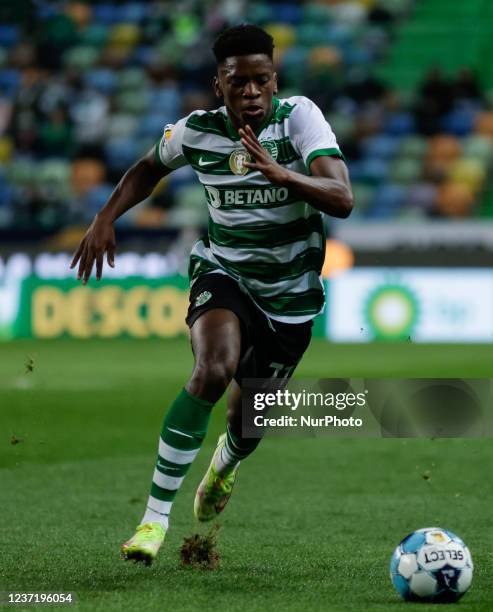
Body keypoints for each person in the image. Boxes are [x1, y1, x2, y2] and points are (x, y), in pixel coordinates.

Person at [70, 24, 353, 565]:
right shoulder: (196, 131)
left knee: (247, 421)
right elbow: (148, 167)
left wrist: (283, 174)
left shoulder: (299, 118)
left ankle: (225, 463)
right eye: (238, 82)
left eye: (261, 81)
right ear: (218, 84)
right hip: (224, 270)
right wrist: (105, 216)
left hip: (291, 293)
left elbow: (342, 197)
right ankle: (152, 521)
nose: (251, 92)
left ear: (275, 80)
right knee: (213, 367)